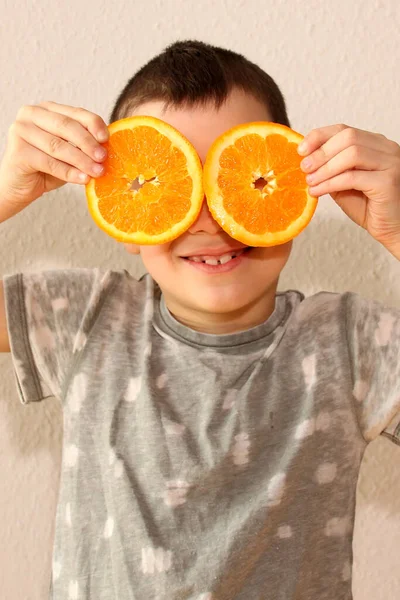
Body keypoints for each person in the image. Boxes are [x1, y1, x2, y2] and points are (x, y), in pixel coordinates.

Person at [0, 39, 399, 600]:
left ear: (294, 191)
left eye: (240, 180)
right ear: (123, 209)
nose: (209, 219)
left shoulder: (351, 343)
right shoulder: (84, 319)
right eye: (172, 184)